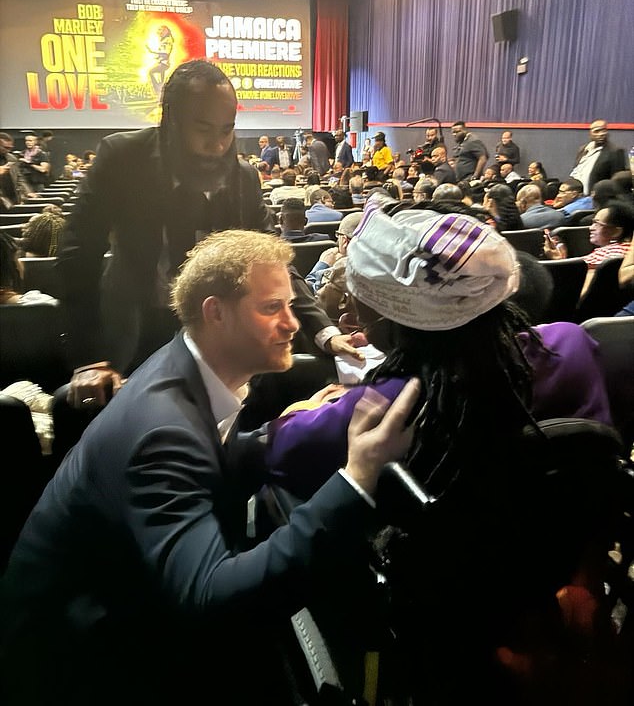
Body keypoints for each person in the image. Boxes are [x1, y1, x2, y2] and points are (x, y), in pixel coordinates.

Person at [1, 228, 420, 706]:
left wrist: (279, 431)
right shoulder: (163, 430)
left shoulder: (186, 363)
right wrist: (357, 479)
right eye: (271, 308)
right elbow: (213, 597)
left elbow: (208, 459)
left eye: (289, 305)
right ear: (215, 312)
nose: (291, 324)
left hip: (116, 602)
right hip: (76, 661)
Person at [265, 196, 618, 702]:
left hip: (437, 594)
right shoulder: (571, 344)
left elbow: (281, 453)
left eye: (359, 294)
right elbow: (593, 467)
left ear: (390, 316)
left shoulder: (387, 403)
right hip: (546, 565)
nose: (347, 304)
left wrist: (299, 409)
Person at [56, 60, 362, 411]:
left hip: (221, 335)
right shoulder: (121, 157)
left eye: (227, 130)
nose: (217, 145)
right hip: (135, 335)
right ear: (170, 118)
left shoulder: (243, 177)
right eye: (203, 129)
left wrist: (326, 332)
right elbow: (78, 254)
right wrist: (89, 358)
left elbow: (273, 262)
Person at [543, 199, 634, 297]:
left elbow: (580, 288)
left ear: (617, 232)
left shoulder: (610, 256)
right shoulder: (627, 253)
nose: (591, 228)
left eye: (597, 224)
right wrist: (561, 260)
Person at [570, 119, 627, 194]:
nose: (601, 134)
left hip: (595, 196)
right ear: (590, 133)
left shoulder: (615, 151)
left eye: (604, 130)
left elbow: (617, 180)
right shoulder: (583, 149)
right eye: (597, 131)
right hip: (576, 194)